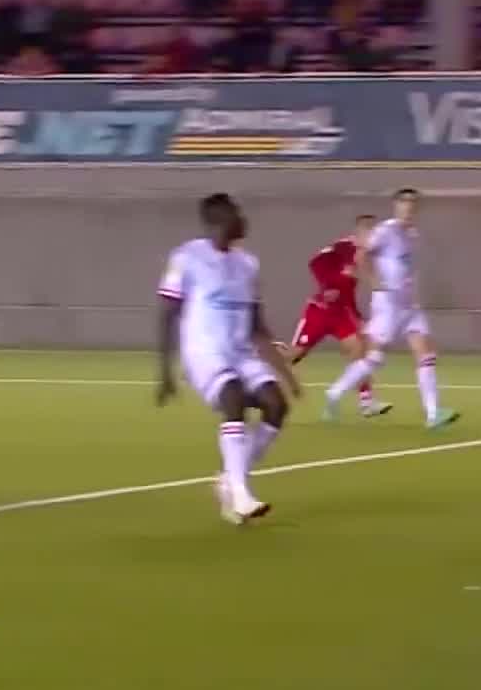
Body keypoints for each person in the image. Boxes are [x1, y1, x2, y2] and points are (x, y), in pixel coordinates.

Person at [155, 193, 302, 524]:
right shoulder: (186, 258)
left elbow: (257, 326)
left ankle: (230, 480)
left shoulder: (248, 264)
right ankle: (240, 494)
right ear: (217, 220)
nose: (243, 218)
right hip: (204, 353)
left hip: (241, 353)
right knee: (233, 398)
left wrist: (287, 374)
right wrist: (165, 371)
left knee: (276, 405)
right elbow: (167, 313)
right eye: (236, 213)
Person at [323, 188, 459, 429]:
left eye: (412, 204)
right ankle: (334, 394)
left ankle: (433, 414)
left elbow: (405, 267)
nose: (408, 208)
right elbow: (362, 255)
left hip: (409, 306)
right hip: (388, 305)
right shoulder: (386, 231)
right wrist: (374, 282)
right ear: (396, 206)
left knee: (426, 354)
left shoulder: (412, 234)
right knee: (374, 358)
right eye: (404, 203)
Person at [287, 215, 390, 418]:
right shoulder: (344, 246)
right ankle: (265, 364)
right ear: (360, 233)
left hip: (340, 314)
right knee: (295, 354)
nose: (374, 238)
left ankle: (366, 402)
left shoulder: (364, 257)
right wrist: (327, 286)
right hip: (319, 311)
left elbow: (348, 293)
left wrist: (357, 317)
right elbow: (315, 262)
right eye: (370, 233)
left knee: (359, 349)